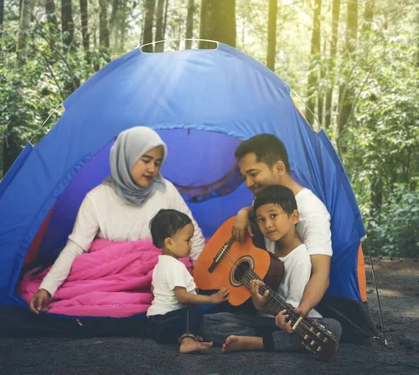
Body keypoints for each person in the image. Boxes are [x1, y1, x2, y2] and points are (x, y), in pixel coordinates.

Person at [28, 126, 206, 314]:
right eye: (146, 160)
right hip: (111, 282)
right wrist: (47, 288)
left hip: (158, 279)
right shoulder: (96, 198)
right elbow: (75, 247)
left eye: (157, 163)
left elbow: (192, 234)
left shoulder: (165, 190)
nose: (152, 169)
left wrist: (203, 278)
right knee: (84, 290)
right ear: (126, 158)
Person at [220, 185, 342, 353]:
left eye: (273, 216)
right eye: (261, 219)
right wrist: (242, 214)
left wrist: (267, 310)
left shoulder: (300, 259)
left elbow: (292, 312)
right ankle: (273, 340)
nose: (268, 224)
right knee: (210, 321)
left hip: (292, 320)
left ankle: (257, 342)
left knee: (332, 327)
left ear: (294, 217)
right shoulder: (268, 241)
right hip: (265, 322)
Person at [231, 134, 332, 319]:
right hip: (267, 300)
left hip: (294, 307)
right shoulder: (262, 201)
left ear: (279, 168)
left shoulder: (311, 210)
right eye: (244, 177)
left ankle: (263, 339)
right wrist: (244, 213)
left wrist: (299, 313)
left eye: (253, 174)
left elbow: (321, 275)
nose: (248, 184)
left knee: (328, 327)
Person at [147, 209, 229, 353]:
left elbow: (154, 289)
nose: (191, 244)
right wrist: (212, 299)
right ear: (170, 243)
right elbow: (183, 297)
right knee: (193, 310)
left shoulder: (161, 264)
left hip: (156, 323)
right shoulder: (175, 266)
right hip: (167, 322)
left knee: (191, 310)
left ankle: (182, 336)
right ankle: (187, 340)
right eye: (187, 240)